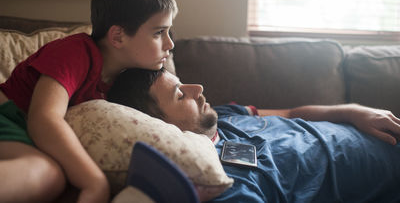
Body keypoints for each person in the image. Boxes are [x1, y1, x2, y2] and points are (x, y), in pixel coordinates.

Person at [0, 0, 177, 203]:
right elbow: (44, 119)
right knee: (48, 175)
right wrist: (95, 181)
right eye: (159, 33)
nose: (170, 43)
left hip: (23, 133)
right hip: (8, 116)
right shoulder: (76, 53)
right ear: (118, 37)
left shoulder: (123, 79)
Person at [107, 68, 400, 202]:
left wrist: (354, 111)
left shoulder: (220, 115)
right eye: (180, 94)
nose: (197, 90)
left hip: (377, 127)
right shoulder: (219, 183)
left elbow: (291, 112)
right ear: (160, 126)